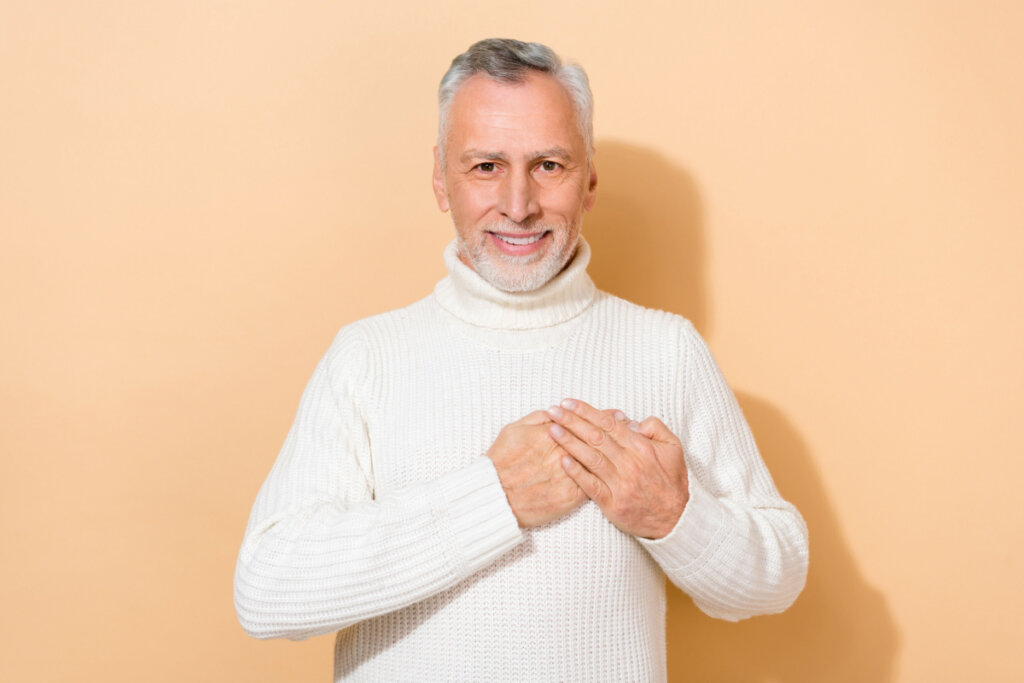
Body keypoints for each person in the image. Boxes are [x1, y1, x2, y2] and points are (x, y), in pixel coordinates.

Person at [234, 38, 808, 681]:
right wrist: (493, 496)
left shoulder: (665, 350)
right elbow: (266, 590)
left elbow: (779, 575)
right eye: (485, 166)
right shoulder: (367, 357)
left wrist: (673, 517)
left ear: (589, 179)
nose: (517, 204)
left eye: (548, 165)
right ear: (438, 177)